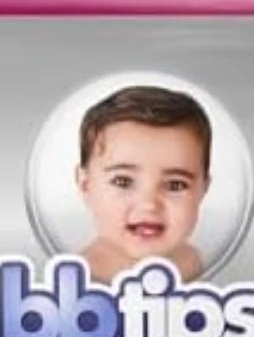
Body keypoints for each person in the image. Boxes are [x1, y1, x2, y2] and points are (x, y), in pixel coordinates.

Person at [75, 85, 212, 282]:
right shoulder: (78, 275)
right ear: (86, 186)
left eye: (175, 185)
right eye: (123, 181)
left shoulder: (193, 261)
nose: (149, 204)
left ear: (204, 189)